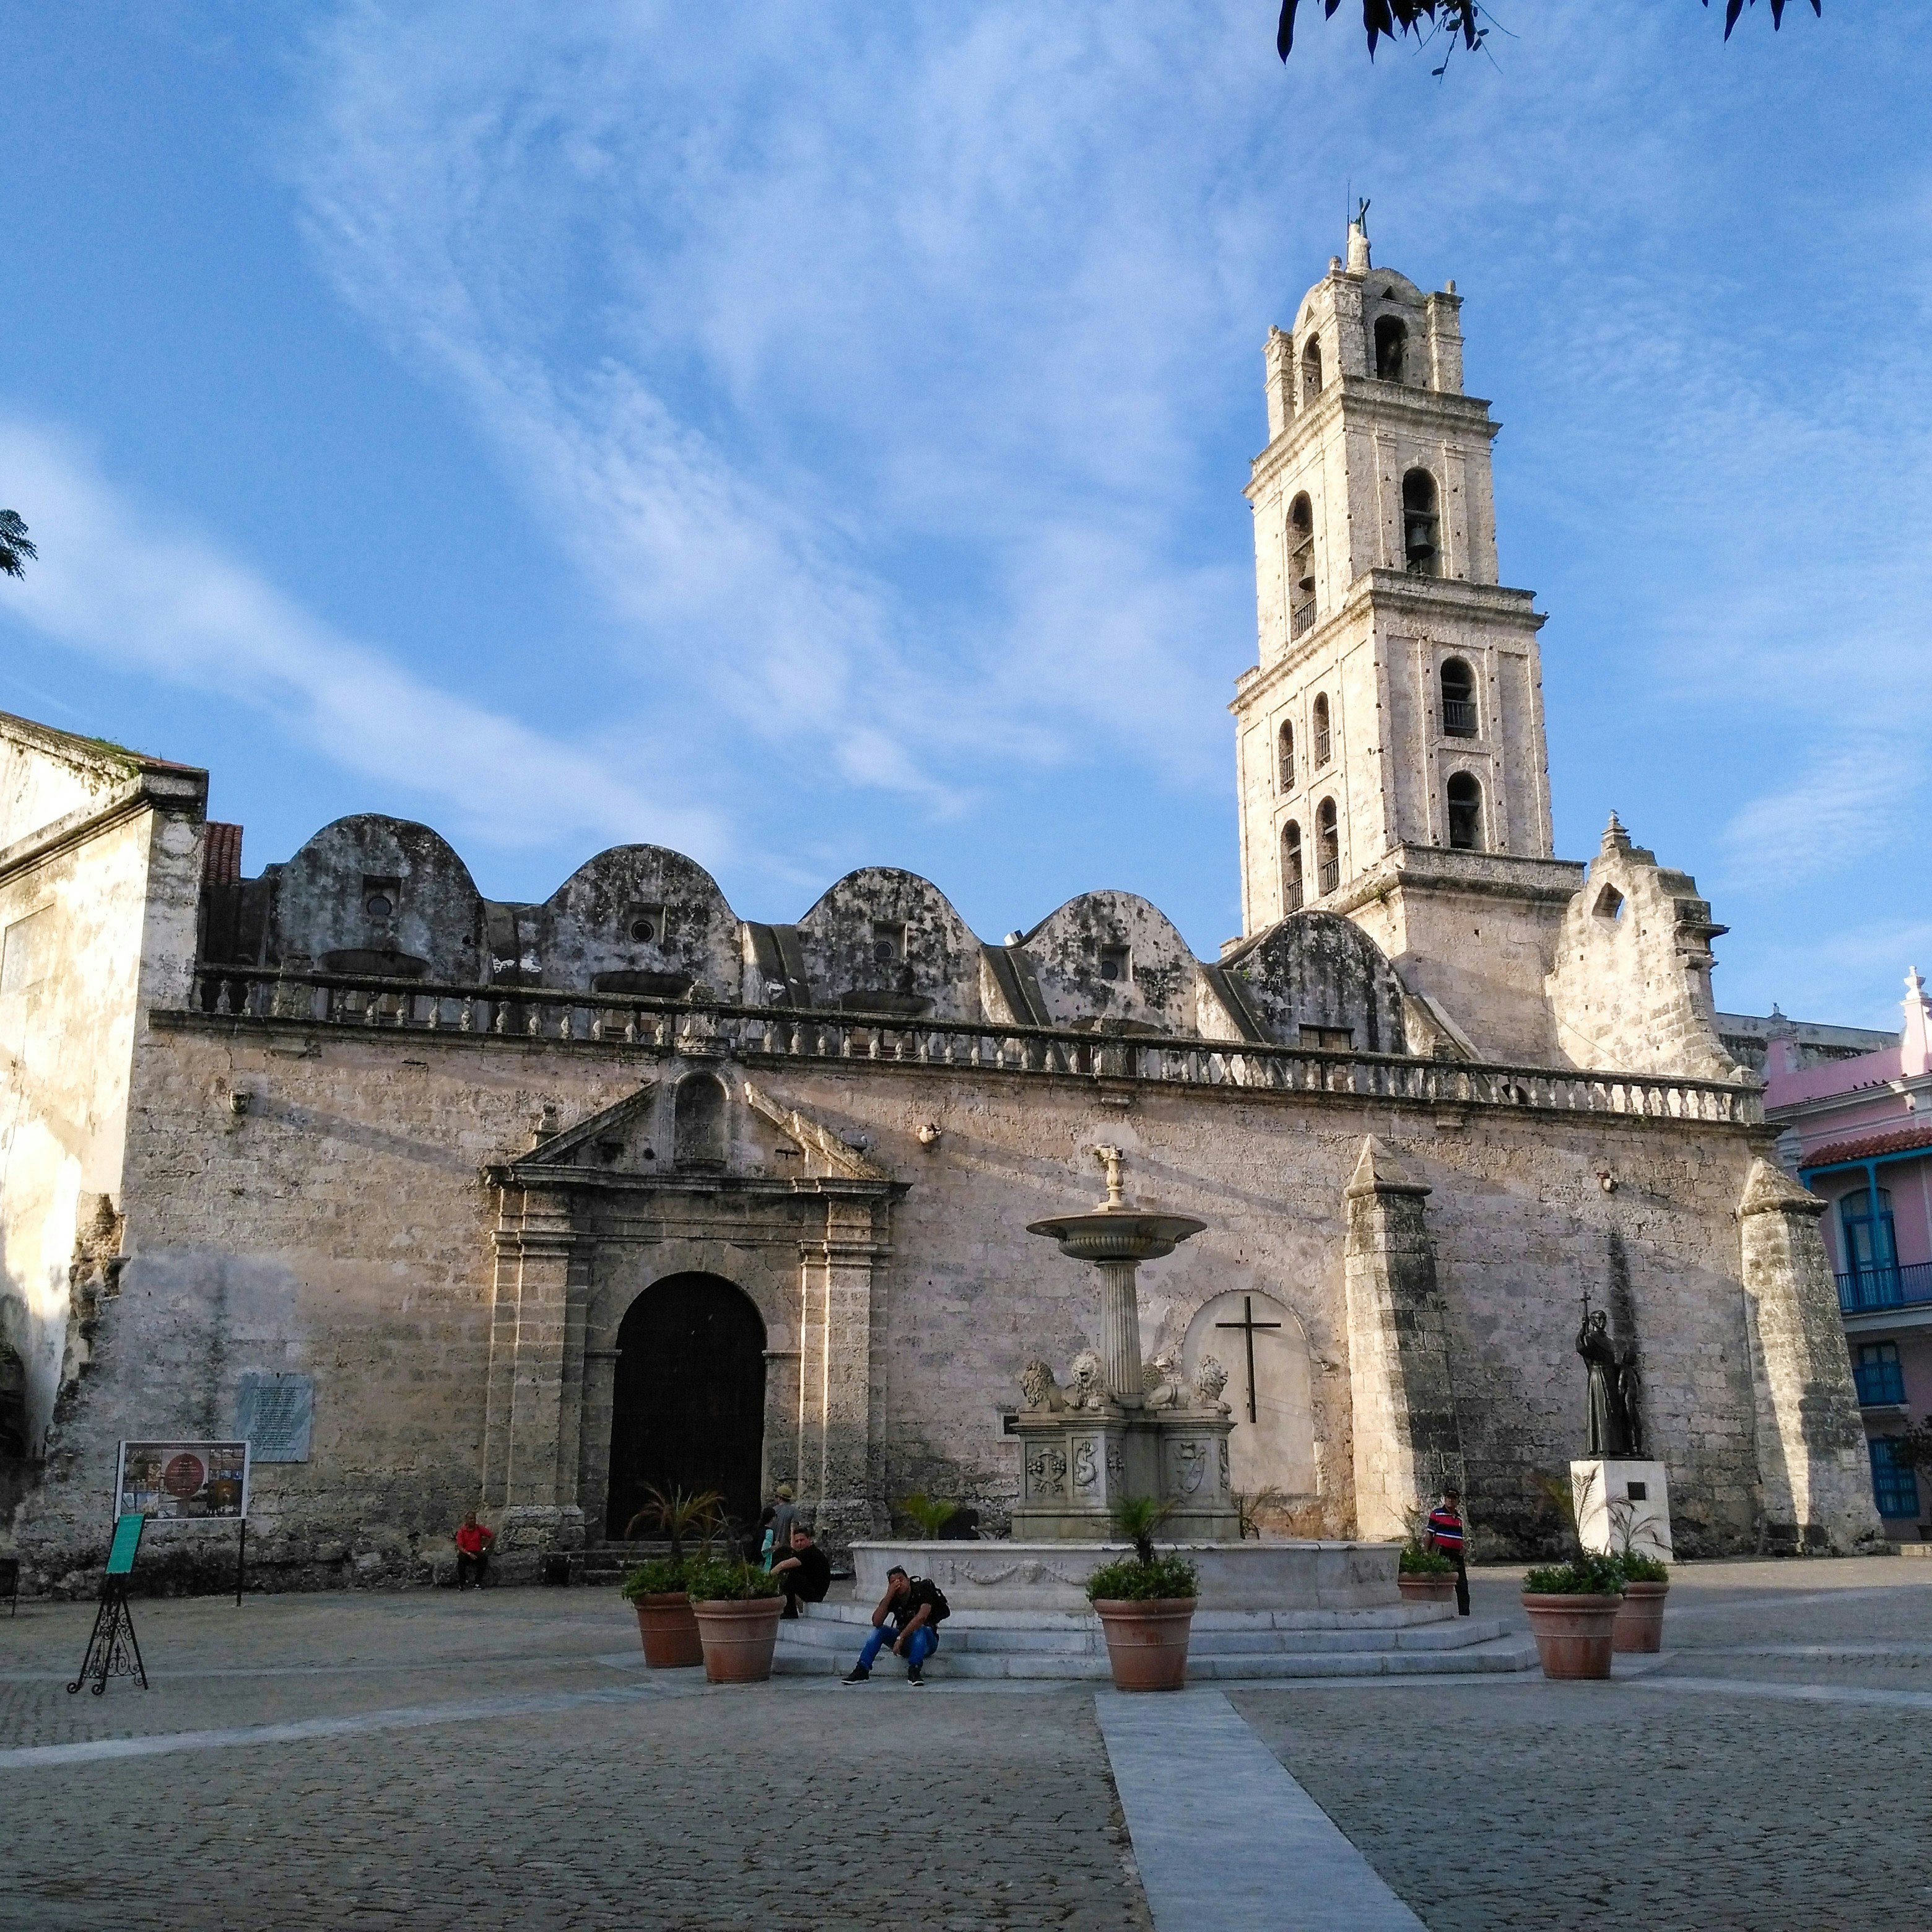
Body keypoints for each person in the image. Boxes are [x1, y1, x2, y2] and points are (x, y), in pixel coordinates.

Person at [843, 1565, 945, 1686]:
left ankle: (914, 1670)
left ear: (908, 1580)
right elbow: (877, 1621)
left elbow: (922, 1616)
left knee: (920, 1629)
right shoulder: (894, 1597)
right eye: (893, 1582)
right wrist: (889, 1595)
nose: (898, 1584)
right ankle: (862, 1669)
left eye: (901, 1580)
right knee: (879, 1631)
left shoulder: (923, 1588)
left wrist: (901, 1637)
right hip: (905, 1643)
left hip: (927, 1643)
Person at [770, 1522, 832, 1619]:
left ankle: (789, 1612)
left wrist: (769, 1575)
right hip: (813, 1590)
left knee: (788, 1576)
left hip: (816, 1594)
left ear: (809, 1540)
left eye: (802, 1540)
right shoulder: (805, 1552)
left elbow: (782, 1565)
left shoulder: (809, 1553)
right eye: (797, 1541)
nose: (799, 1543)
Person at [1425, 1488, 1469, 1617]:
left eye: (1453, 1498)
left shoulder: (1459, 1518)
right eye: (1448, 1497)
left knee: (1462, 1586)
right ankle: (1437, 1613)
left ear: (1457, 1501)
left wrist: (1462, 1547)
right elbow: (1429, 1534)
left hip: (1456, 1554)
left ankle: (1465, 1615)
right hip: (1442, 1552)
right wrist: (1427, 1553)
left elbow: (1458, 1536)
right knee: (1440, 1584)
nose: (1450, 1500)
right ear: (1445, 1499)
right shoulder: (1437, 1514)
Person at [454, 1512, 494, 1590]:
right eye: (471, 1519)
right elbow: (460, 1547)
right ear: (466, 1520)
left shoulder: (479, 1529)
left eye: (474, 1519)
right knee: (461, 1559)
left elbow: (491, 1536)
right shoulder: (462, 1531)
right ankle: (462, 1583)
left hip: (476, 1552)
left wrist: (485, 1548)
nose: (473, 1521)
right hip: (466, 1553)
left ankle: (477, 1583)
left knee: (484, 1558)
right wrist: (469, 1554)